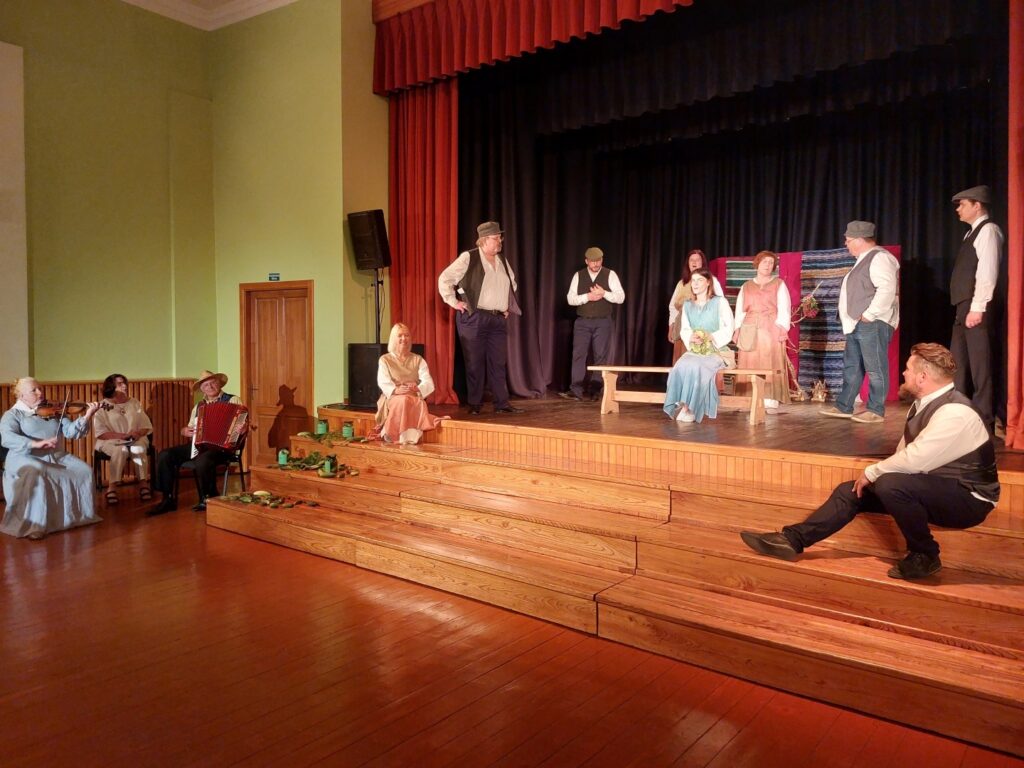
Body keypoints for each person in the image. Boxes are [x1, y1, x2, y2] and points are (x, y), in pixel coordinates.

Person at [742, 343, 997, 580]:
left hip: (969, 499)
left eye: (908, 369)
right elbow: (904, 454)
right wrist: (873, 476)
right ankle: (791, 540)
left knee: (890, 483)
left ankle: (925, 555)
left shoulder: (955, 412)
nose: (904, 373)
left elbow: (915, 459)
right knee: (850, 491)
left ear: (922, 377)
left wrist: (873, 472)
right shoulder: (923, 404)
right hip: (931, 487)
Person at [438, 220, 524, 415]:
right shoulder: (469, 257)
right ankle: (475, 404)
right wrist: (454, 302)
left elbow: (512, 283)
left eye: (500, 237)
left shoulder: (502, 260)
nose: (500, 241)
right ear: (484, 240)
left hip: (496, 319)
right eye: (496, 238)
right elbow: (445, 278)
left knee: (498, 363)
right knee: (474, 362)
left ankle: (502, 403)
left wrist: (506, 305)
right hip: (474, 317)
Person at [1, 377, 102, 540]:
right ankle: (36, 525)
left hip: (56, 456)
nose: (40, 393)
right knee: (38, 471)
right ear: (21, 396)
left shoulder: (54, 410)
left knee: (84, 470)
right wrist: (35, 443)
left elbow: (71, 432)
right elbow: (7, 438)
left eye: (40, 388)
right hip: (24, 457)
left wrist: (87, 415)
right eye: (34, 390)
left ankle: (77, 517)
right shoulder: (12, 415)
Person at [819, 221, 899, 424]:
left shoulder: (880, 257)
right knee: (853, 366)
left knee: (875, 367)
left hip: (873, 322)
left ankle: (876, 409)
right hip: (858, 323)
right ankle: (844, 405)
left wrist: (870, 314)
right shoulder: (862, 259)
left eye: (848, 240)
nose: (846, 244)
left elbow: (887, 288)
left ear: (860, 240)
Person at [151, 370, 245, 515]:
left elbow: (243, 422)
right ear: (202, 389)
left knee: (202, 460)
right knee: (165, 455)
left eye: (213, 383)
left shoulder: (233, 400)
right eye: (206, 385)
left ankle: (208, 497)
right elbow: (189, 428)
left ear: (219, 383)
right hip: (200, 445)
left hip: (224, 447)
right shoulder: (199, 406)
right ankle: (167, 498)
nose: (210, 386)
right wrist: (184, 431)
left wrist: (242, 428)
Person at [949, 185, 1003, 433]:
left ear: (977, 205)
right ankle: (960, 417)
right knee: (959, 365)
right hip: (964, 306)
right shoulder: (970, 234)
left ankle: (984, 422)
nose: (958, 209)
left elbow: (987, 271)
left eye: (962, 204)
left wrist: (978, 307)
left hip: (977, 306)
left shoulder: (988, 230)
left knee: (981, 367)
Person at [663, 269, 734, 423]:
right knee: (680, 366)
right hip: (696, 350)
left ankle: (690, 408)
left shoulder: (720, 302)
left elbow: (729, 327)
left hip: (717, 350)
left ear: (708, 283)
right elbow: (685, 329)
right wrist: (691, 337)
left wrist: (711, 336)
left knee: (697, 366)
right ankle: (681, 404)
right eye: (693, 280)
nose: (695, 284)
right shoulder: (688, 305)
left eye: (699, 280)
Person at [559, 247, 626, 401]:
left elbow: (620, 297)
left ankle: (595, 389)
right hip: (583, 321)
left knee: (600, 356)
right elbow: (570, 299)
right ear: (586, 261)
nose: (596, 264)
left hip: (603, 321)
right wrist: (587, 297)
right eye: (592, 261)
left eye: (598, 261)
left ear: (602, 260)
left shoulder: (610, 274)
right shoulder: (579, 275)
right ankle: (575, 390)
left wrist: (604, 293)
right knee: (579, 355)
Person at [373, 323, 449, 445]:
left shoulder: (418, 359)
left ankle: (409, 438)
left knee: (415, 401)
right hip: (394, 396)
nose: (404, 338)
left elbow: (428, 382)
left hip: (413, 395)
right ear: (393, 338)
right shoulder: (385, 359)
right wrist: (395, 390)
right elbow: (383, 381)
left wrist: (418, 388)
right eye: (400, 336)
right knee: (403, 401)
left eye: (407, 335)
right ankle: (394, 435)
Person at [733, 250, 792, 406]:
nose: (767, 265)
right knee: (749, 360)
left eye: (771, 263)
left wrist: (782, 328)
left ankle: (769, 396)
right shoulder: (746, 286)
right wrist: (737, 329)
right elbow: (740, 310)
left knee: (769, 360)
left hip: (770, 326)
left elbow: (784, 308)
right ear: (757, 263)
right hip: (749, 326)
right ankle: (747, 396)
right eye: (764, 261)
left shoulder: (778, 284)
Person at [93, 373, 153, 505]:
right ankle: (112, 487)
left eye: (125, 383)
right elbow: (101, 433)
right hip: (110, 440)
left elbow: (146, 425)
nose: (124, 386)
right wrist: (122, 436)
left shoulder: (134, 403)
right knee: (120, 450)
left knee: (138, 448)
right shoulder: (102, 406)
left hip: (135, 438)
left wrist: (137, 433)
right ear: (111, 387)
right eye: (120, 384)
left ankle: (143, 484)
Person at [668, 249, 724, 364]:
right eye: (691, 260)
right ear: (688, 264)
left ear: (702, 263)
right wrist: (671, 327)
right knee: (682, 361)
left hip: (703, 328)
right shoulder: (682, 283)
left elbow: (720, 304)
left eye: (697, 260)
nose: (694, 262)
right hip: (681, 327)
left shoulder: (711, 281)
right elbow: (673, 307)